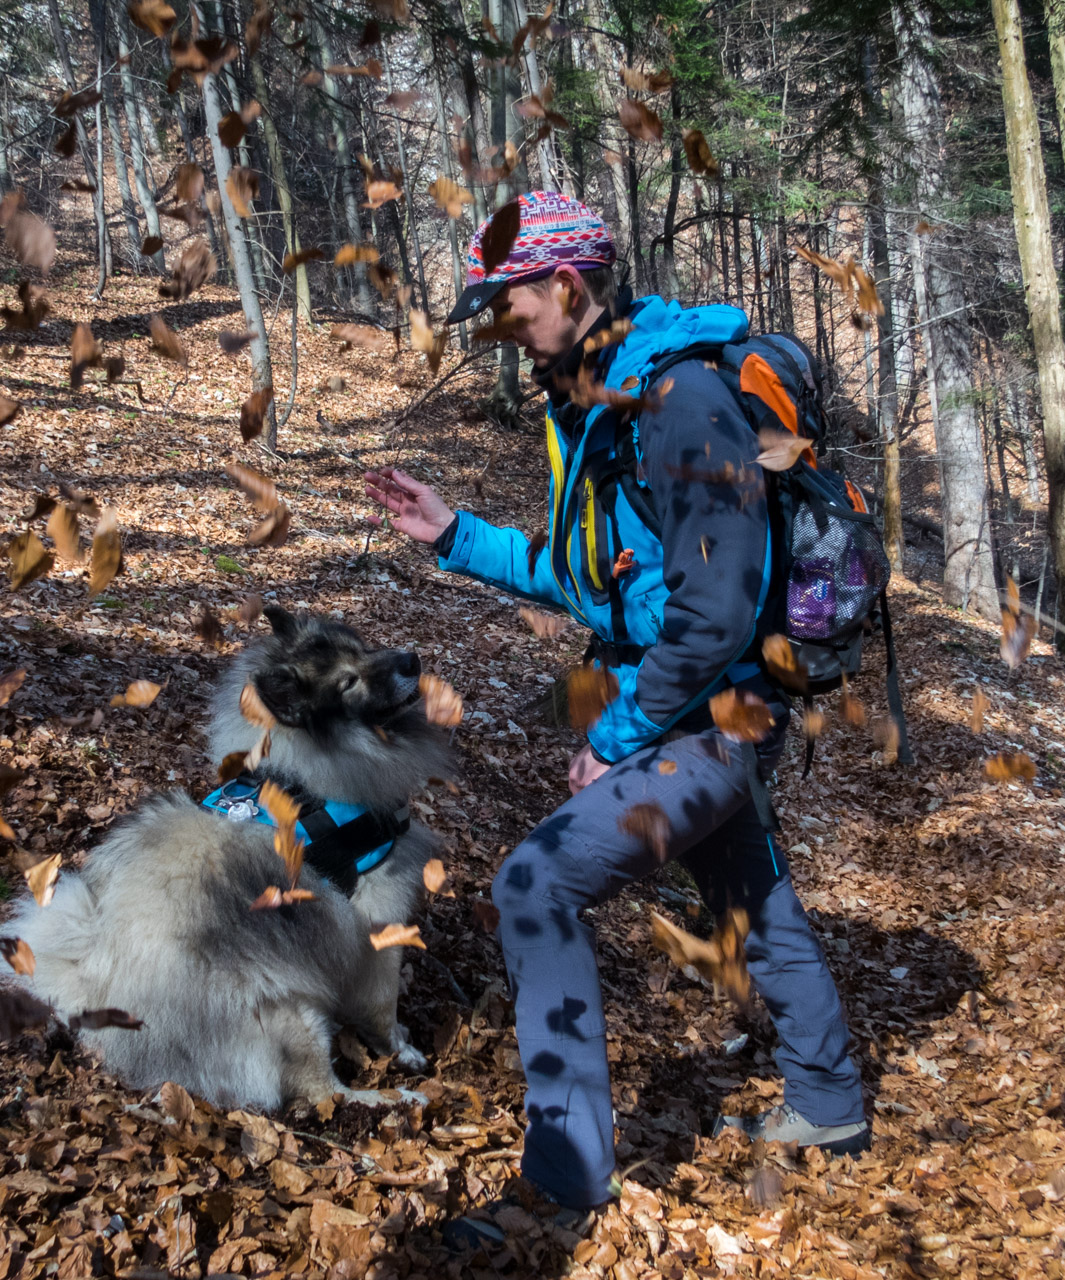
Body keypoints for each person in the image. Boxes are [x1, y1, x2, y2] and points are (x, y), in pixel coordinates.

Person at [362, 191, 869, 1245]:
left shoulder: (679, 400)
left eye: (507, 307)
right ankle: (827, 1101)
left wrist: (615, 732)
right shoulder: (599, 401)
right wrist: (455, 532)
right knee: (750, 887)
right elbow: (598, 580)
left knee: (532, 881)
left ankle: (564, 1177)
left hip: (717, 709)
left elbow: (716, 606)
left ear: (567, 287)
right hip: (694, 704)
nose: (499, 330)